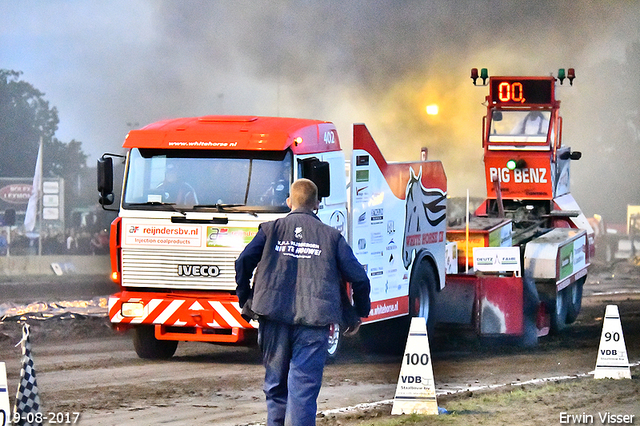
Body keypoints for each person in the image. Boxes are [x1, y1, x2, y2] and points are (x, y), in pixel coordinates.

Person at [235, 178, 370, 426]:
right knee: (303, 392)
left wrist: (246, 297)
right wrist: (359, 312)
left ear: (289, 201)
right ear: (317, 204)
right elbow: (359, 277)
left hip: (272, 317)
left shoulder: (269, 230)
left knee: (275, 386)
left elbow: (243, 262)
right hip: (313, 322)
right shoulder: (332, 237)